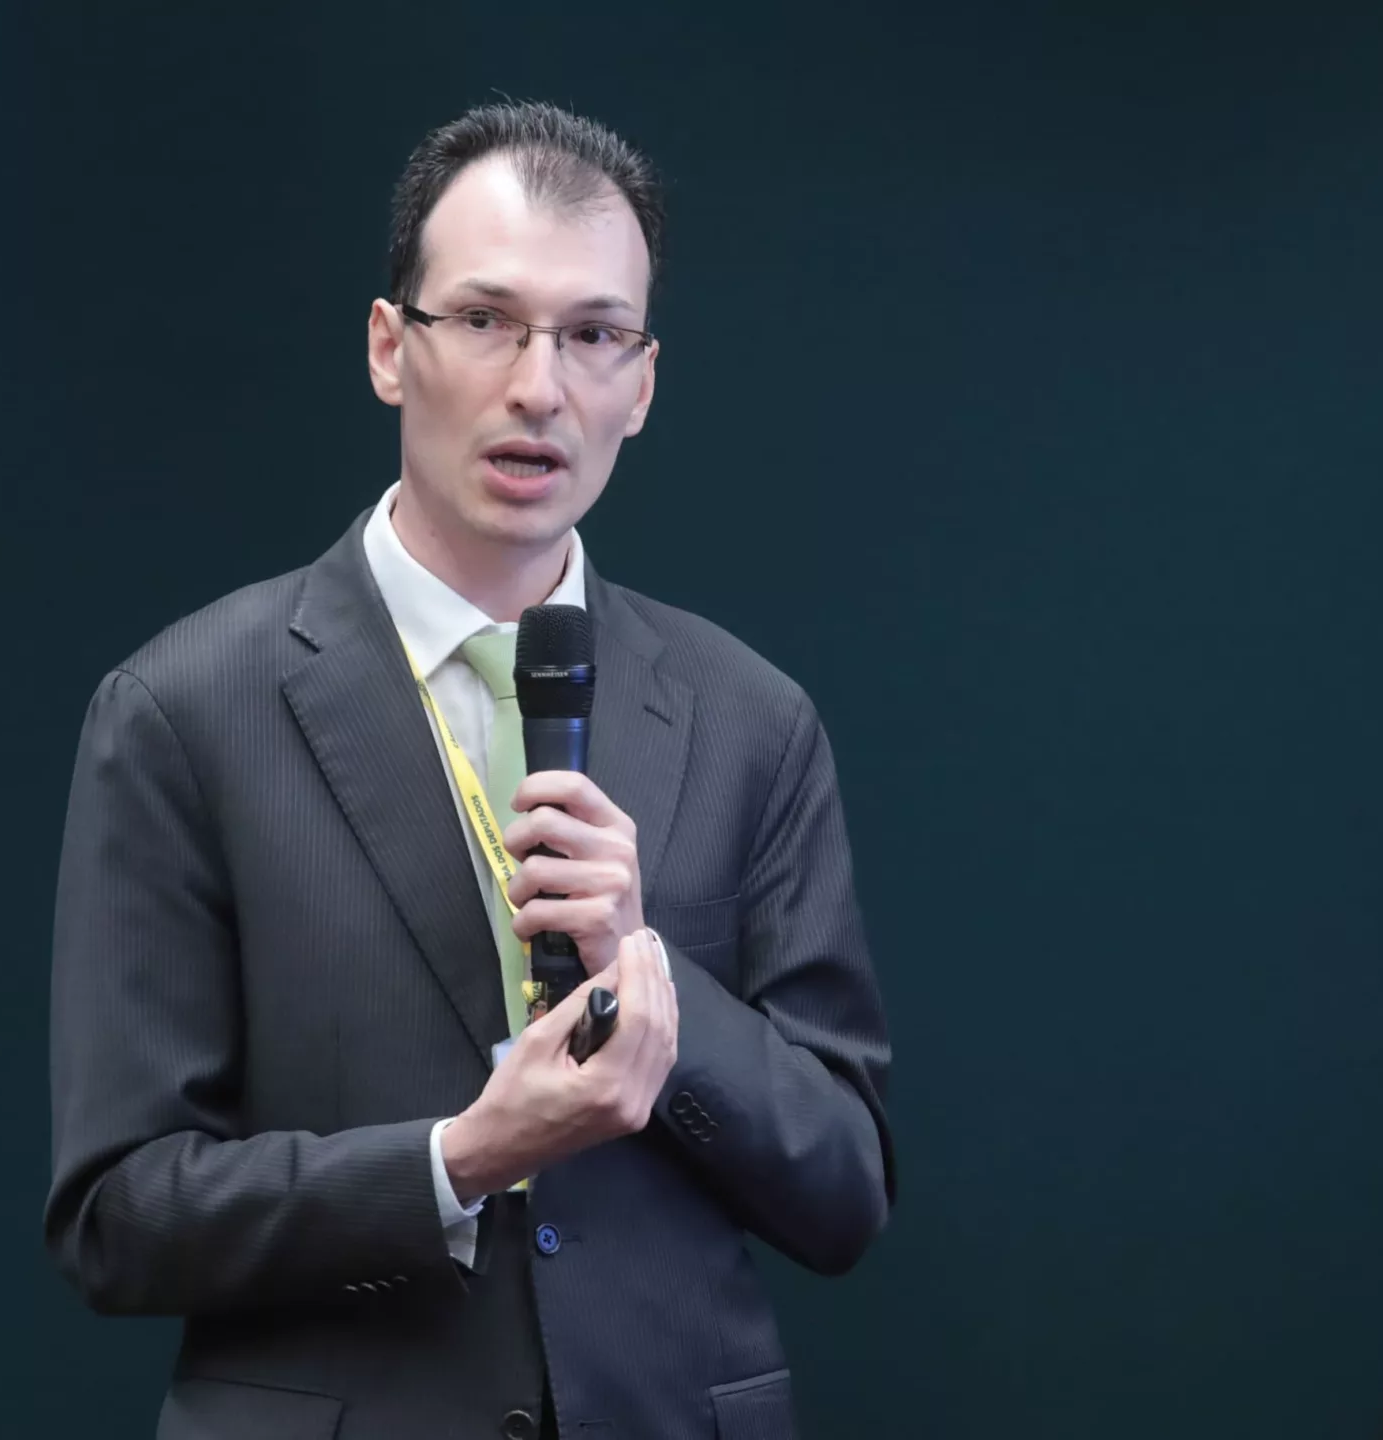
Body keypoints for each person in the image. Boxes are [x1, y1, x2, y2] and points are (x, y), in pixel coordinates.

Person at [44, 99, 895, 1440]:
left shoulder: (751, 720)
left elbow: (845, 1193)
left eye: (593, 336)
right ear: (390, 348)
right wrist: (458, 1161)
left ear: (645, 383)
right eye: (486, 322)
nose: (539, 387)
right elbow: (120, 1218)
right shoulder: (184, 712)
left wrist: (645, 969)